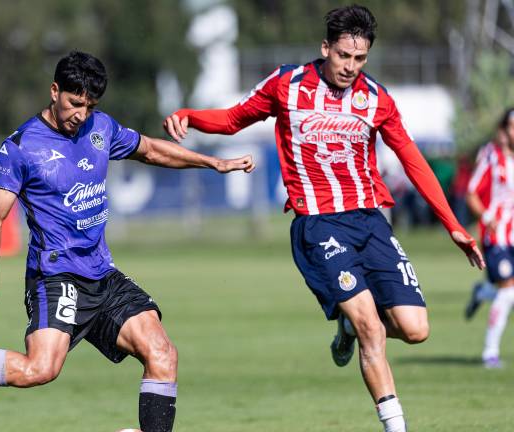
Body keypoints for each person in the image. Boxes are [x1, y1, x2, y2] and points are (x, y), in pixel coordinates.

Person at [0, 51, 254, 432]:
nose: (81, 115)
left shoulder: (101, 128)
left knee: (162, 353)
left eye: (90, 106)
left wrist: (213, 163)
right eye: (74, 103)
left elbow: (151, 150)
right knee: (39, 369)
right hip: (55, 276)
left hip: (102, 274)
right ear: (54, 91)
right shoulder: (21, 147)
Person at [163, 5, 484, 431]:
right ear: (326, 48)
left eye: (360, 58)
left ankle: (347, 326)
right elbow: (234, 119)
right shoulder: (287, 84)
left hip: (370, 222)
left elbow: (413, 161)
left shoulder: (377, 99)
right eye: (344, 56)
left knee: (415, 328)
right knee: (372, 329)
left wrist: (453, 225)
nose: (351, 66)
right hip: (319, 225)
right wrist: (189, 116)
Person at [465, 108, 514, 368]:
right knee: (508, 290)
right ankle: (490, 353)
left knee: (509, 293)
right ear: (505, 130)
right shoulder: (492, 157)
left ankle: (483, 292)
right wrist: (486, 217)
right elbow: (471, 193)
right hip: (496, 236)